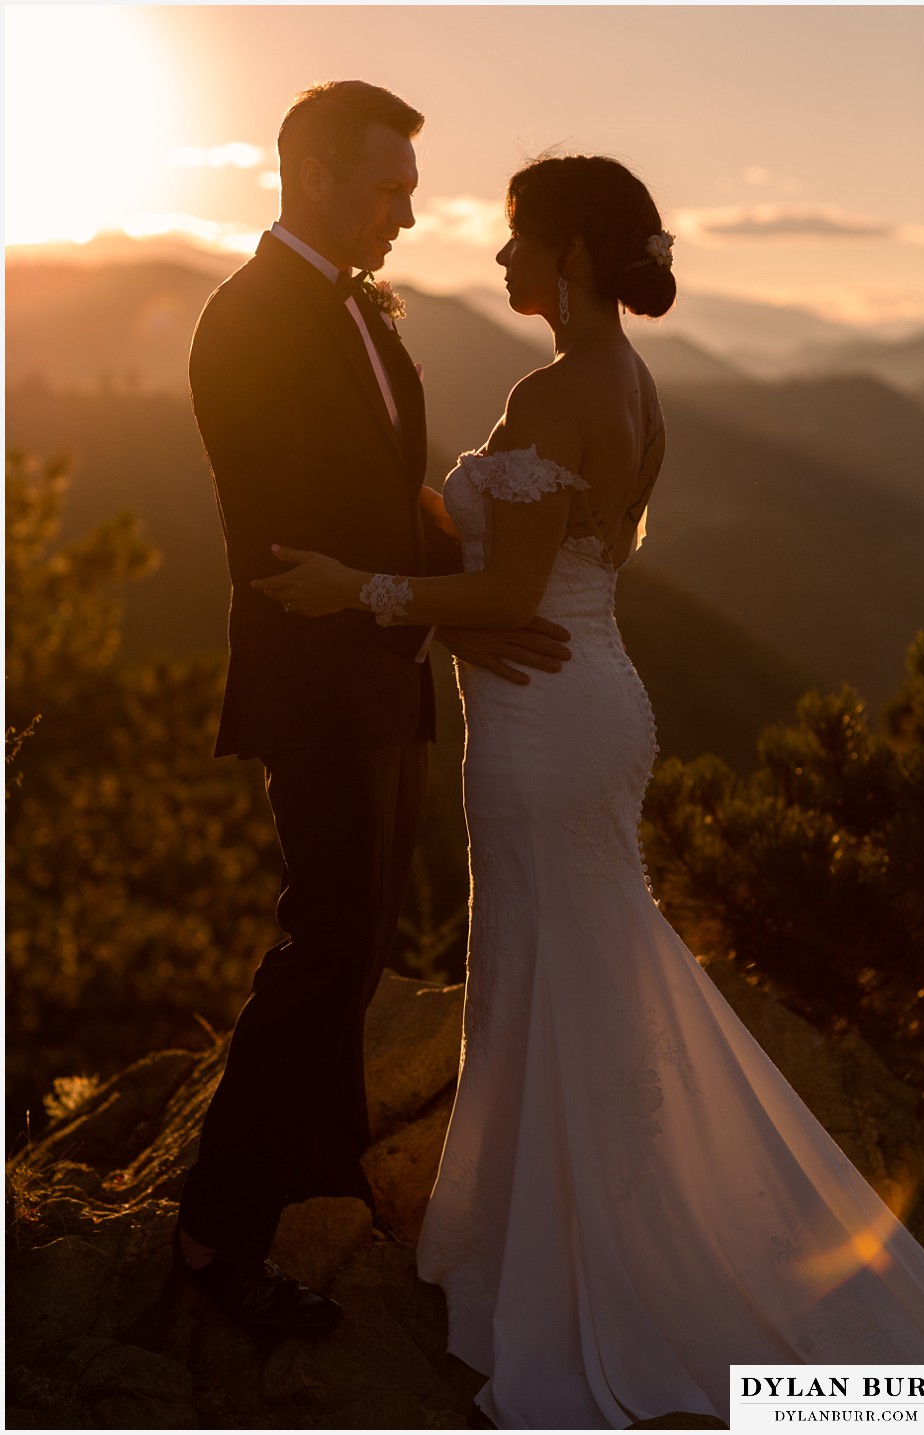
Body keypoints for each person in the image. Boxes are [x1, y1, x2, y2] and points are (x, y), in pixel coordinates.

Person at [252, 154, 924, 1420]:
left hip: (539, 725)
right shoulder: (632, 385)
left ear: (570, 251)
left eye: (518, 238)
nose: (503, 258)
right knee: (583, 964)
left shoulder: (551, 387)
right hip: (596, 700)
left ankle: (598, 1263)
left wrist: (355, 590)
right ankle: (603, 1225)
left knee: (548, 969)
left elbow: (514, 595)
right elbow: (559, 570)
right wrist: (428, 553)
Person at [175, 81, 571, 1334]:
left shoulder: (355, 310)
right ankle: (213, 1238)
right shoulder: (248, 319)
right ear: (312, 177)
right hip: (317, 671)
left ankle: (319, 1167)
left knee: (364, 927)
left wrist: (482, 598)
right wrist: (410, 599)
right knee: (328, 937)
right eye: (388, 184)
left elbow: (392, 489)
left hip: (383, 666)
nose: (410, 207)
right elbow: (289, 532)